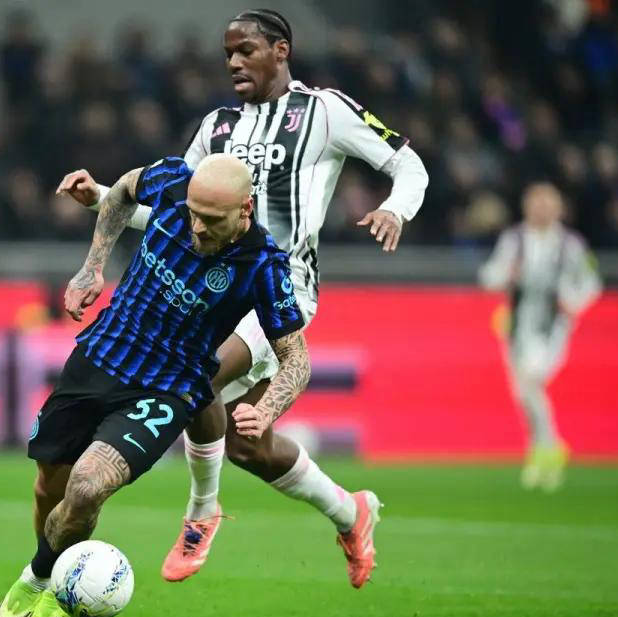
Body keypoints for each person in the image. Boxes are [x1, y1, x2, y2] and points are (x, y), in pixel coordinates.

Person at [58, 8, 426, 587]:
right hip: (217, 292)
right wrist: (104, 197)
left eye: (246, 50)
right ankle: (351, 512)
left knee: (194, 376)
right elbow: (182, 216)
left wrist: (394, 209)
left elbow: (409, 165)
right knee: (247, 446)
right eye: (228, 53)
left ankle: (202, 512)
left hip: (282, 289)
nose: (233, 61)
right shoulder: (217, 127)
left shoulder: (325, 112)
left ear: (281, 50)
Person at [0, 154, 313, 617]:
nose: (197, 228)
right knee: (50, 487)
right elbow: (123, 190)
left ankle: (39, 596)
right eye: (193, 214)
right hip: (101, 354)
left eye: (212, 220)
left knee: (86, 487)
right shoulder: (172, 179)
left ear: (245, 209)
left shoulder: (264, 265)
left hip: (165, 389)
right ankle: (44, 578)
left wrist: (266, 410)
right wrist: (93, 265)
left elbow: (296, 357)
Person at [479, 182, 601, 492]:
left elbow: (591, 282)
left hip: (553, 326)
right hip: (517, 325)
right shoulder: (514, 240)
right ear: (526, 206)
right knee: (523, 392)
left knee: (531, 380)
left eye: (548, 203)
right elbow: (490, 275)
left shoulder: (571, 244)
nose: (542, 209)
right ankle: (542, 451)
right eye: (537, 203)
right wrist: (507, 275)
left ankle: (549, 446)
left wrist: (572, 302)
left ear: (559, 208)